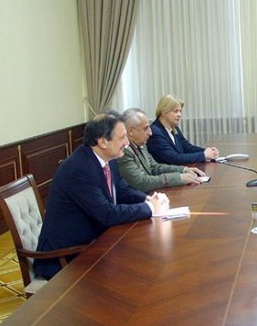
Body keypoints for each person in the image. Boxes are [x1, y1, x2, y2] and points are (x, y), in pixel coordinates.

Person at [34, 112, 168, 279]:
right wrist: (149, 208)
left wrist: (148, 199)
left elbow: (122, 189)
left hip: (96, 243)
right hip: (67, 258)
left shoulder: (108, 159)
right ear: (103, 142)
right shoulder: (79, 169)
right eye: (122, 138)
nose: (127, 143)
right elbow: (107, 214)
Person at [118, 108, 206, 192]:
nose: (150, 133)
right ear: (131, 131)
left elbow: (155, 167)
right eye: (146, 128)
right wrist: (179, 178)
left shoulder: (141, 144)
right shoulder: (124, 151)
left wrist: (184, 170)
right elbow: (141, 182)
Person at [146, 94, 219, 165]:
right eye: (176, 111)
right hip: (168, 172)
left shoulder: (174, 127)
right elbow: (174, 158)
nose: (179, 115)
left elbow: (187, 147)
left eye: (180, 111)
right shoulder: (155, 132)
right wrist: (203, 155)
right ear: (163, 112)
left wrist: (208, 151)